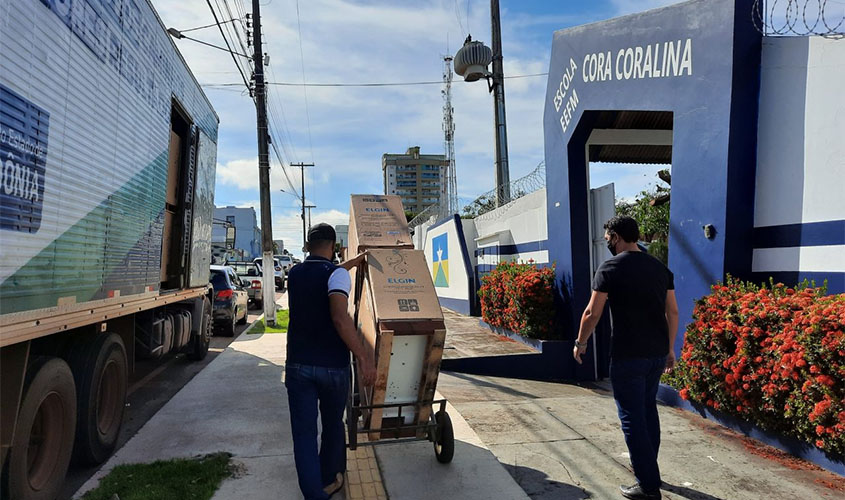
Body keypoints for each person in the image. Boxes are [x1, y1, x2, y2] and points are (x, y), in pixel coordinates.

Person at [573, 216, 679, 500]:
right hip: (656, 353)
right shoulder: (659, 267)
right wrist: (670, 349)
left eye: (608, 237)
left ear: (617, 237)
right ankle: (650, 472)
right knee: (647, 410)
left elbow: (591, 313)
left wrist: (580, 342)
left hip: (628, 355)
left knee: (632, 418)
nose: (607, 241)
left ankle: (648, 486)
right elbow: (672, 312)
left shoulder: (610, 268)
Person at [285, 223, 376, 500]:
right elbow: (339, 316)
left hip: (299, 365)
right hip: (333, 367)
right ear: (334, 247)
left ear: (307, 246)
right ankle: (329, 478)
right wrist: (363, 356)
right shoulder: (337, 275)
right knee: (333, 425)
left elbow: (322, 273)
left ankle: (314, 493)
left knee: (304, 434)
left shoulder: (294, 273)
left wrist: (352, 263)